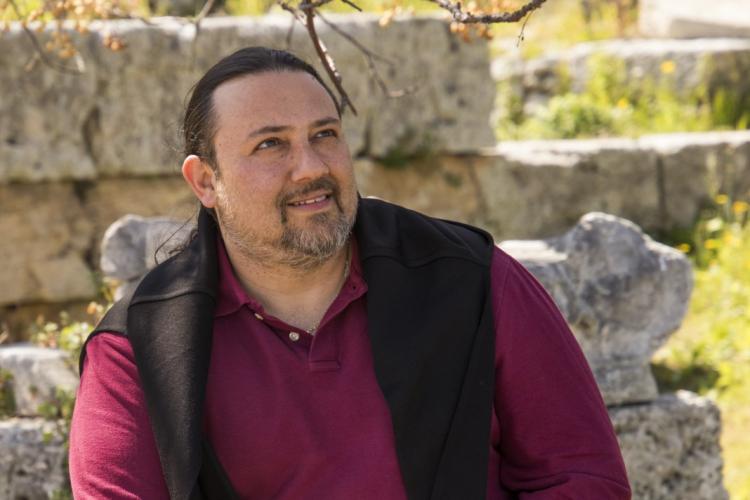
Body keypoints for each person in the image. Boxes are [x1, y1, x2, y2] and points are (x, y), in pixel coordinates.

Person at [69, 47, 631, 499]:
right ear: (205, 182)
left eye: (325, 134)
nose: (311, 167)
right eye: (271, 145)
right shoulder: (137, 350)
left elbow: (583, 476)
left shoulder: (475, 281)